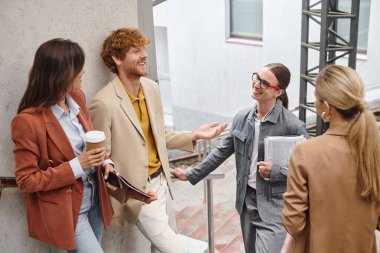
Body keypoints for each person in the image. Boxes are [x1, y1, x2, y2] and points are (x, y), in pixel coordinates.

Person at [88, 27, 227, 253]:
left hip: (162, 181)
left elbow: (159, 136)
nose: (144, 55)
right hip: (140, 191)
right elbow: (101, 160)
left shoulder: (151, 88)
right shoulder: (103, 103)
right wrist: (130, 192)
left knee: (162, 248)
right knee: (175, 249)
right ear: (117, 58)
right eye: (135, 51)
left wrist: (195, 135)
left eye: (143, 49)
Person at [172, 63, 310, 253]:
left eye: (264, 83)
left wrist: (275, 171)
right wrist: (191, 174)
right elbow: (221, 152)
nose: (256, 84)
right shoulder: (241, 118)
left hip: (274, 206)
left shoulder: (294, 126)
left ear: (278, 92)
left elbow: (307, 169)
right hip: (246, 201)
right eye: (256, 78)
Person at [11, 38, 115, 252]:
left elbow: (89, 144)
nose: (83, 72)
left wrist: (106, 162)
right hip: (69, 210)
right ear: (62, 74)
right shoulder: (27, 121)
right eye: (78, 67)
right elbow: (26, 180)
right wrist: (78, 165)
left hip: (96, 200)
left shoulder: (77, 98)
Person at [282, 65, 380, 253]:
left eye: (316, 96)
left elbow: (294, 224)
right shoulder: (375, 150)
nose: (314, 101)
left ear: (326, 107)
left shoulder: (305, 152)